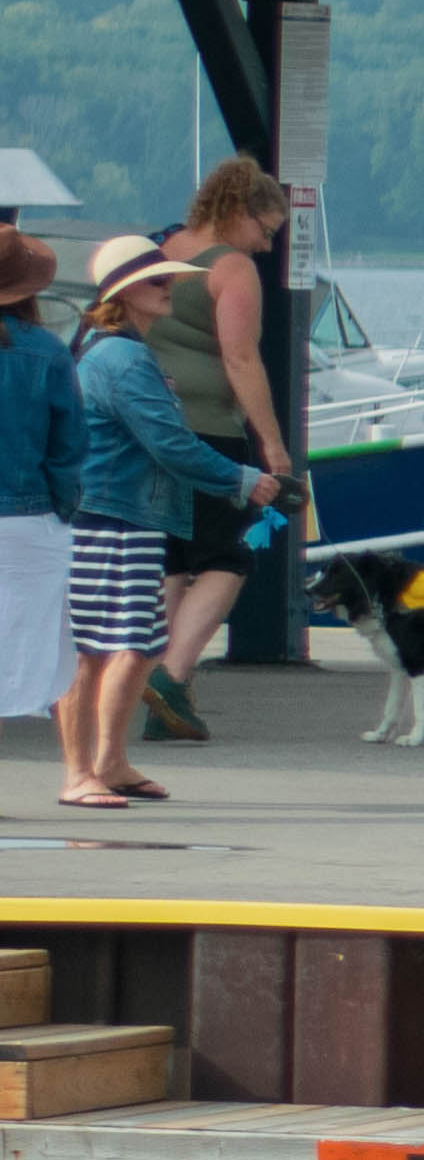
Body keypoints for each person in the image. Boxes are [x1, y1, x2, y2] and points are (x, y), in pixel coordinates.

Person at [65, 241, 259, 807]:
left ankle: (110, 761)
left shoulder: (117, 354)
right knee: (107, 647)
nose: (169, 286)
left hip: (129, 515)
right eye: (155, 281)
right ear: (123, 295)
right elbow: (169, 443)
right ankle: (86, 769)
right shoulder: (123, 360)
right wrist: (243, 479)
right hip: (113, 517)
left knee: (137, 642)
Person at [137, 159, 307, 743]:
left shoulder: (165, 250)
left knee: (175, 560)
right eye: (264, 229)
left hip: (152, 429)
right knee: (229, 557)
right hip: (210, 430)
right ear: (236, 213)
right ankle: (171, 675)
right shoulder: (230, 267)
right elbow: (240, 359)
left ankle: (165, 690)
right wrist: (274, 447)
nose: (265, 245)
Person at [0, 237, 80, 753]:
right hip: (25, 521)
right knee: (15, 650)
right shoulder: (46, 350)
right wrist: (62, 509)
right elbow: (68, 448)